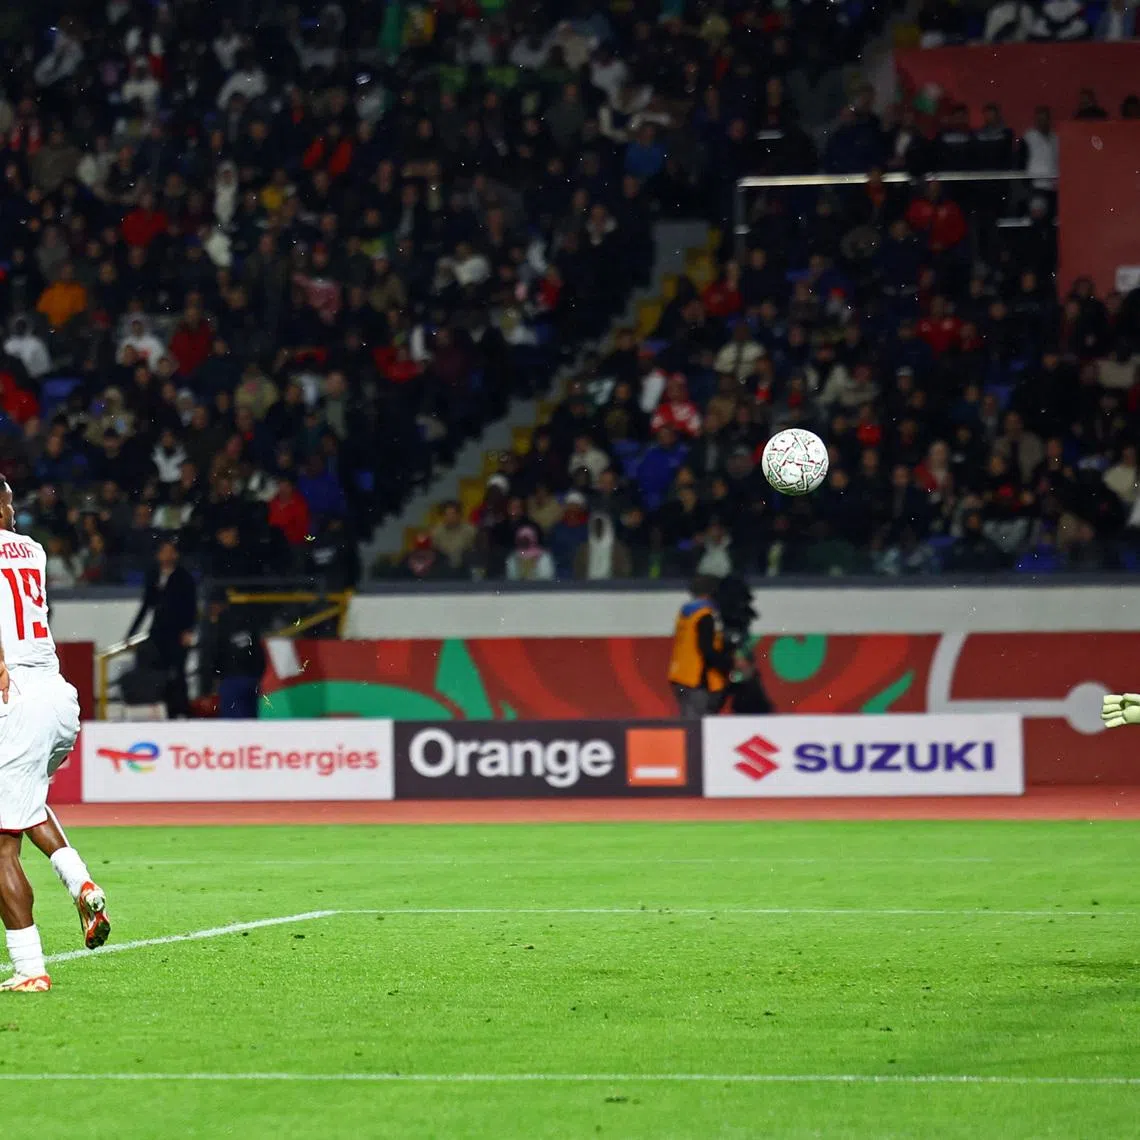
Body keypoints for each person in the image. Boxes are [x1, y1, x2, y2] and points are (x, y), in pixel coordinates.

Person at [0, 476, 110, 991]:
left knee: (1, 847)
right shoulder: (35, 550)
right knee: (26, 800)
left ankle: (29, 969)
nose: (14, 508)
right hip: (57, 695)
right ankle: (80, 881)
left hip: (15, 695)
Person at [127, 539, 199, 719]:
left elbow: (191, 605)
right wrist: (131, 632)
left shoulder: (184, 577)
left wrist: (189, 629)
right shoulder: (153, 575)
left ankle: (182, 710)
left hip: (178, 632)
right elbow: (146, 605)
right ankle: (165, 709)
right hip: (159, 632)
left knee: (178, 672)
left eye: (170, 551)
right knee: (159, 672)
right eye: (164, 551)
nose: (167, 555)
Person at [667, 574, 733, 718]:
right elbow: (707, 650)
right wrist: (729, 666)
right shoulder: (705, 615)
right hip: (696, 680)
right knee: (697, 729)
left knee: (688, 724)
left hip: (680, 676)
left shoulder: (686, 612)